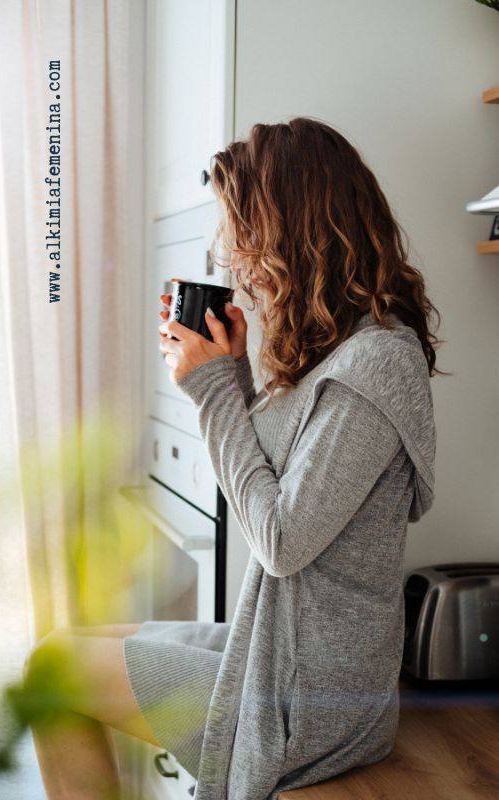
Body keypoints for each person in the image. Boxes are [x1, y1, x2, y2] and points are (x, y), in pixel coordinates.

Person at [23, 117, 443, 800]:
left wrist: (214, 391)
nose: (234, 257)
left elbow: (280, 539)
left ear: (292, 229)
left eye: (242, 233)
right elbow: (281, 480)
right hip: (282, 652)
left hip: (309, 695)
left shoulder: (378, 364)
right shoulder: (342, 351)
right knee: (65, 642)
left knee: (51, 674)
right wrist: (236, 377)